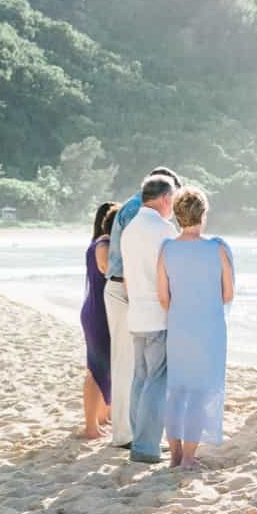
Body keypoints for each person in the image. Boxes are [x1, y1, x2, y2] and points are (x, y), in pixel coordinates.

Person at [156, 187, 235, 469]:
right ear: (203, 214)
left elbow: (163, 297)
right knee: (200, 391)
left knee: (177, 389)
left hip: (179, 326)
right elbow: (228, 294)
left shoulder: (167, 249)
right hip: (209, 328)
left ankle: (175, 455)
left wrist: (182, 311)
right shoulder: (218, 249)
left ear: (177, 215)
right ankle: (189, 457)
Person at [104, 166, 181, 447]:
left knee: (136, 372)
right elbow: (148, 266)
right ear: (164, 196)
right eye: (174, 197)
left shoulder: (133, 214)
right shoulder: (146, 218)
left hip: (128, 294)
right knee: (138, 370)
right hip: (129, 293)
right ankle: (130, 436)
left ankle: (133, 435)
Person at [81, 201, 118, 439]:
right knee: (96, 370)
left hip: (101, 310)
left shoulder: (100, 243)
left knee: (107, 367)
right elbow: (110, 273)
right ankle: (90, 427)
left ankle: (103, 418)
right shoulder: (103, 245)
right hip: (98, 313)